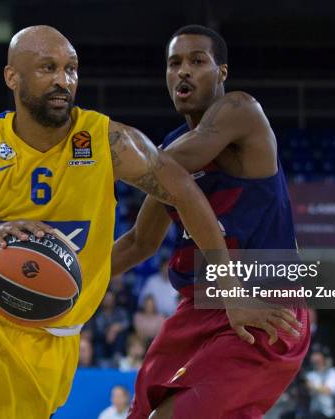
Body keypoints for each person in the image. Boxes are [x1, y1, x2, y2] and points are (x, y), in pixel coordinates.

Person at [0, 26, 292, 419]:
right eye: (48, 68)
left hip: (49, 345)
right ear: (12, 76)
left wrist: (226, 284)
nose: (63, 80)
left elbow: (185, 193)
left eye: (71, 69)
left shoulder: (109, 142)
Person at [112, 25, 310, 418]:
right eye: (174, 64)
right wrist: (75, 276)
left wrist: (89, 155)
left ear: (222, 72)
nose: (183, 71)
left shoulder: (241, 110)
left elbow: (185, 155)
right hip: (198, 308)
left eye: (197, 61)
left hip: (262, 302)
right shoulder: (167, 150)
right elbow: (139, 242)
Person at [305, 346, 335, 419]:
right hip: (318, 412)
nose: (314, 357)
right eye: (313, 355)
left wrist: (312, 386)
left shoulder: (333, 372)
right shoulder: (310, 375)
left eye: (318, 354)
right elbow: (307, 391)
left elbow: (328, 390)